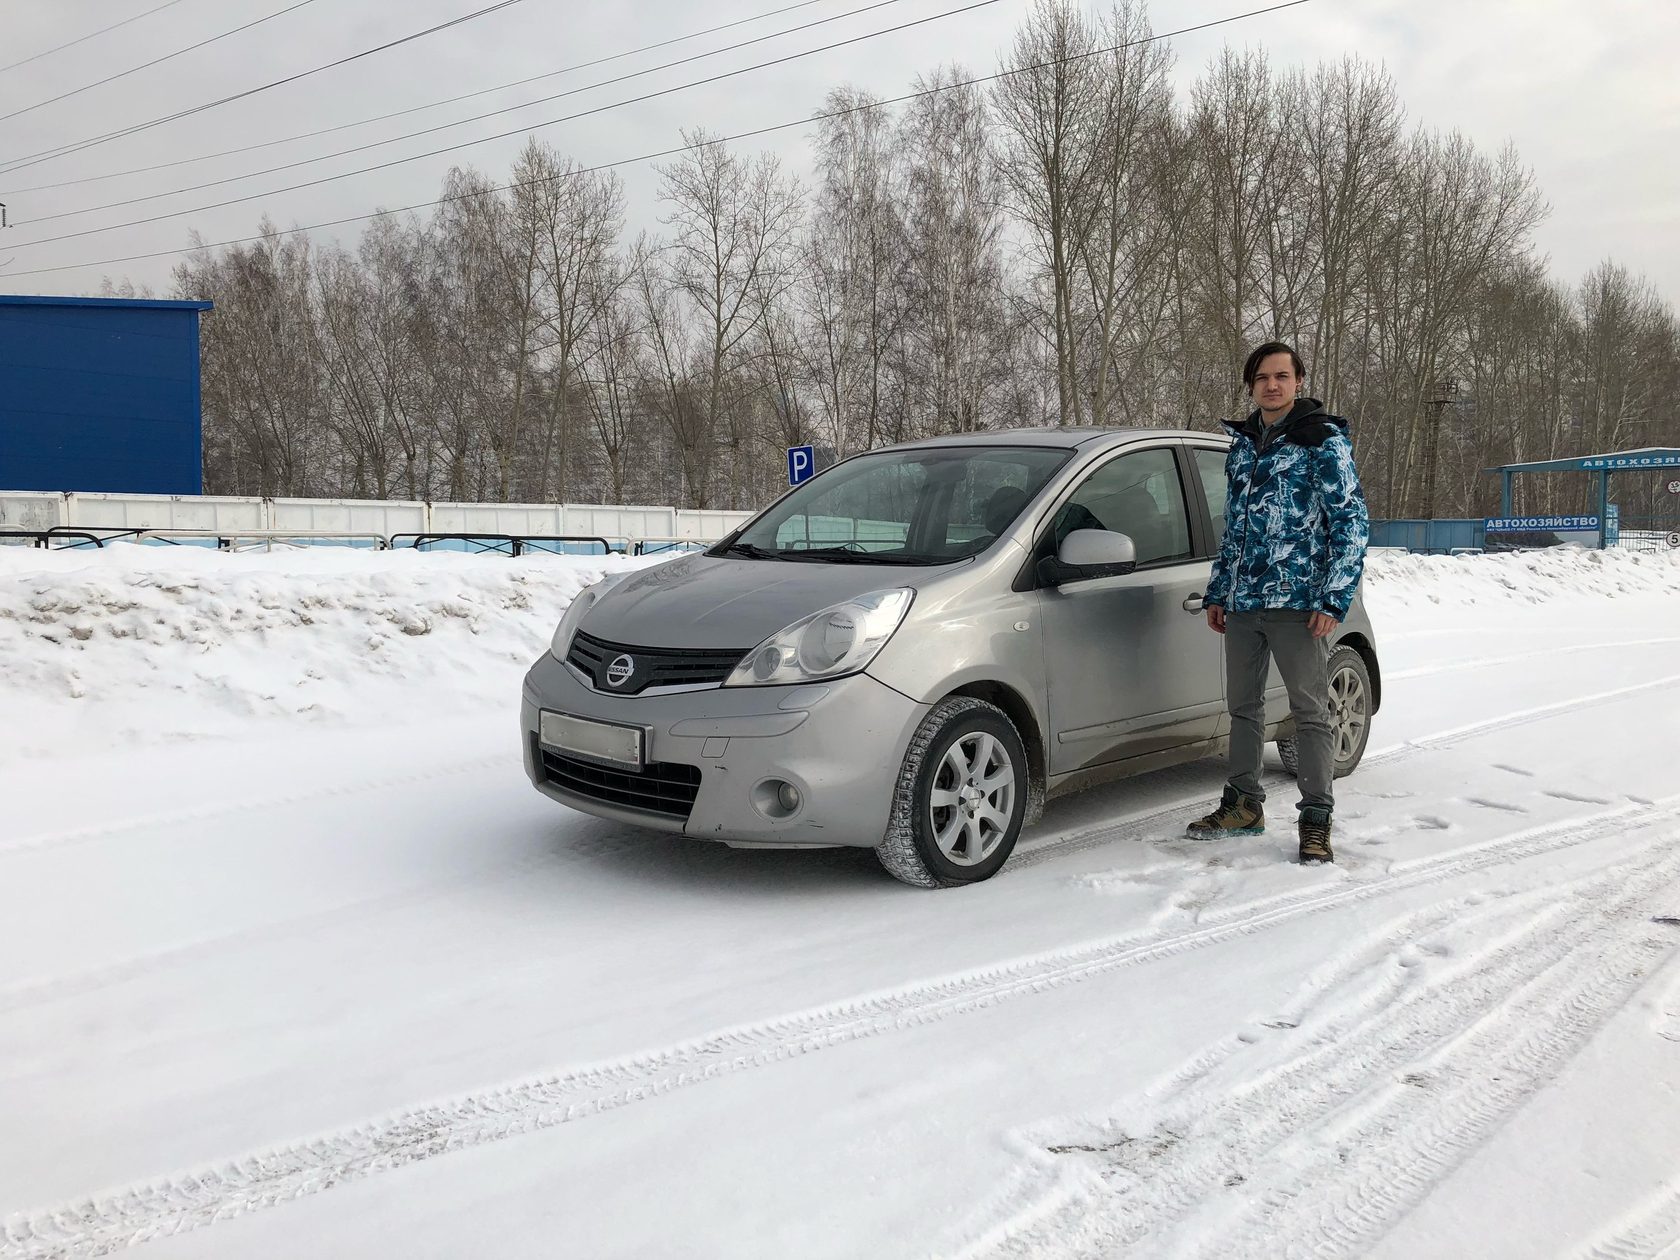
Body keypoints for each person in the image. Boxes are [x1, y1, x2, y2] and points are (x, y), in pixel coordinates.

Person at [1186, 341, 1369, 863]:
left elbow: (1351, 523)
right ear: (1251, 386)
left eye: (1282, 376)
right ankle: (1243, 805)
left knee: (1309, 712)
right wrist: (1221, 591)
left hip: (1298, 603)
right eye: (1263, 377)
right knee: (1243, 708)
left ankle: (1316, 821)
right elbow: (1235, 529)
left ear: (1299, 382)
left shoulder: (1322, 442)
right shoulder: (1243, 445)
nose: (1272, 385)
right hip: (1243, 603)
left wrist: (1333, 598)